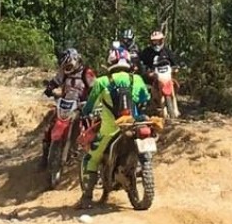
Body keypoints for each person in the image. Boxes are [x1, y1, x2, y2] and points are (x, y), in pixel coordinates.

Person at [76, 47, 150, 209]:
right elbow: (146, 98)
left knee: (92, 157)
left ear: (110, 62)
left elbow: (90, 104)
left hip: (110, 128)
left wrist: (85, 111)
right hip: (134, 123)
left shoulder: (102, 81)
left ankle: (87, 197)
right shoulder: (136, 79)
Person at [40, 48, 96, 168]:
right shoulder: (65, 71)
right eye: (65, 65)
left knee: (90, 129)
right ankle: (45, 157)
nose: (67, 68)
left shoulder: (86, 72)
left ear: (75, 60)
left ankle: (92, 159)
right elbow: (56, 81)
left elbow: (94, 88)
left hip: (81, 105)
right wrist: (49, 88)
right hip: (65, 103)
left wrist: (90, 101)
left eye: (69, 64)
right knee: (49, 126)